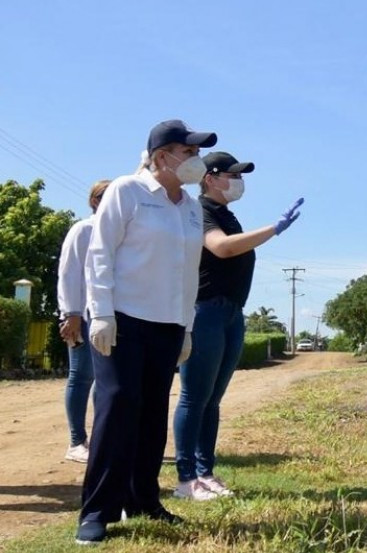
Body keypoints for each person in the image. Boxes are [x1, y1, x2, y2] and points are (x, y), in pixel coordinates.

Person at [75, 120, 217, 545]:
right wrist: (100, 312)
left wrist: (187, 327)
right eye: (187, 152)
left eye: (196, 153)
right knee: (118, 405)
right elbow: (100, 254)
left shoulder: (191, 207)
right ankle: (97, 510)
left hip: (168, 323)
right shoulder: (127, 191)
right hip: (122, 318)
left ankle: (142, 499)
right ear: (161, 156)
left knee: (153, 412)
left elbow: (188, 271)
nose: (195, 160)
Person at [172, 152, 303, 501]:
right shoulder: (199, 211)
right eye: (232, 174)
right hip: (206, 312)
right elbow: (222, 248)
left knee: (212, 400)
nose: (238, 181)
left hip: (231, 313)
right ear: (211, 178)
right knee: (194, 397)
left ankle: (205, 472)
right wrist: (273, 230)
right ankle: (186, 480)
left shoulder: (226, 214)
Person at [56, 179, 111, 464]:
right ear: (94, 201)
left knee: (106, 381)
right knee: (82, 376)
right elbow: (69, 274)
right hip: (84, 315)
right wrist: (71, 314)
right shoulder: (83, 230)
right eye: (105, 196)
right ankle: (77, 441)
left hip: (111, 315)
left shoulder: (119, 231)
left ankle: (103, 439)